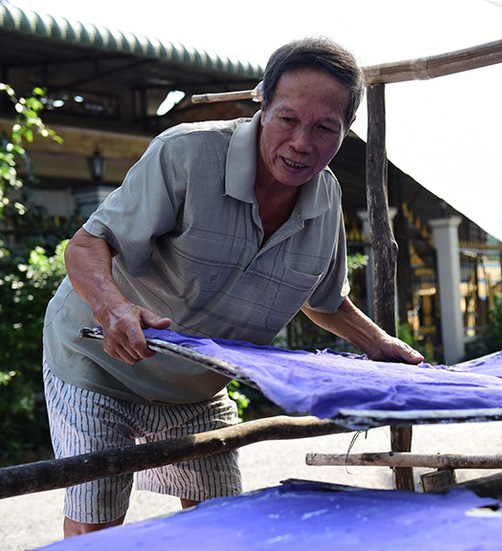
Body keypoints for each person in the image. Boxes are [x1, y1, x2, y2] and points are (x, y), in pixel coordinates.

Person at [42, 37, 423, 537]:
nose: (303, 143)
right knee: (100, 526)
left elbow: (324, 300)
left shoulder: (327, 199)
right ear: (262, 102)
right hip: (99, 365)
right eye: (288, 119)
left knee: (223, 528)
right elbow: (86, 247)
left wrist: (379, 345)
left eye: (324, 128)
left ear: (346, 130)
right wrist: (113, 308)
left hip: (199, 386)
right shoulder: (186, 153)